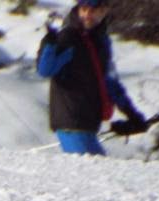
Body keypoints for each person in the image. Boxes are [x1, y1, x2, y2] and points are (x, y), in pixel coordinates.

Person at [37, 0, 146, 156]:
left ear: (104, 11)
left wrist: (132, 114)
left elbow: (110, 82)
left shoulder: (100, 41)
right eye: (84, 9)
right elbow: (45, 70)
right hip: (71, 122)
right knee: (93, 175)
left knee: (99, 174)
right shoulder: (68, 37)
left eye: (94, 10)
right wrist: (49, 45)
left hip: (89, 123)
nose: (87, 15)